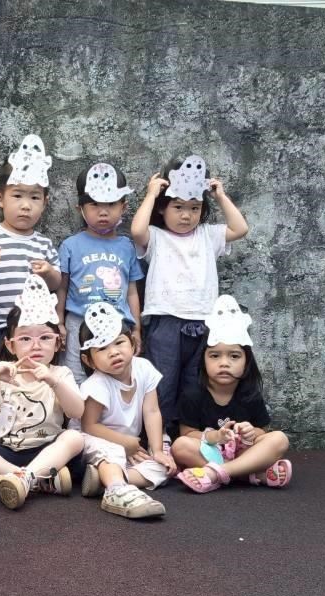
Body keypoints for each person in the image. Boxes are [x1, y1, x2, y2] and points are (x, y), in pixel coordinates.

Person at [129, 155, 248, 433]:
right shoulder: (156, 237)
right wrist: (151, 195)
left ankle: (190, 434)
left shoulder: (208, 235)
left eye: (194, 208)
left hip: (204, 322)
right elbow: (136, 230)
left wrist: (220, 196)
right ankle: (160, 436)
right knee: (163, 382)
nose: (186, 215)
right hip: (165, 321)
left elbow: (240, 228)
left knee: (195, 384)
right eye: (178, 207)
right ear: (163, 208)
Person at [0, 276, 85, 510]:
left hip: (47, 449)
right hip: (4, 451)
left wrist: (54, 383)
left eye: (45, 338)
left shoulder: (61, 373)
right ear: (10, 345)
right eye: (25, 338)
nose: (36, 345)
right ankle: (36, 479)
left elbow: (77, 411)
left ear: (58, 343)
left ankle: (25, 478)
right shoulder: (3, 371)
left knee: (75, 439)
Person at [172, 296, 292, 492]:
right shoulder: (193, 394)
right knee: (180, 446)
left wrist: (250, 432)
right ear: (203, 360)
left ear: (247, 361)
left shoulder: (250, 393)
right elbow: (187, 433)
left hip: (243, 453)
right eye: (214, 356)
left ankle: (217, 474)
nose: (224, 363)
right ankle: (249, 475)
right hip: (210, 453)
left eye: (234, 356)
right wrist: (216, 436)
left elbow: (263, 432)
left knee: (279, 439)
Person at [0, 133, 61, 363]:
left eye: (35, 198)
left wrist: (48, 272)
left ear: (45, 202)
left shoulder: (44, 244)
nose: (26, 205)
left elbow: (56, 284)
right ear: (0, 198)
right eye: (17, 195)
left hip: (35, 331)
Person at [74, 302, 175, 520]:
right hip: (95, 442)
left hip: (128, 447)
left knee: (162, 467)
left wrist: (157, 450)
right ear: (88, 360)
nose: (114, 352)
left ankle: (105, 479)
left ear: (132, 343)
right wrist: (124, 443)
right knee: (112, 452)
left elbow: (152, 411)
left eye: (119, 342)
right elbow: (88, 426)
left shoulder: (144, 368)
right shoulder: (96, 385)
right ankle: (116, 490)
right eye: (102, 348)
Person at [56, 162, 144, 383]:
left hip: (118, 323)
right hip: (78, 322)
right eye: (94, 204)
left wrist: (136, 328)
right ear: (80, 208)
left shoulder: (127, 246)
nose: (103, 212)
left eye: (111, 204)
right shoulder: (70, 245)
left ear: (123, 206)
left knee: (118, 376)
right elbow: (61, 287)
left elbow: (132, 291)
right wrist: (59, 322)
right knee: (75, 376)